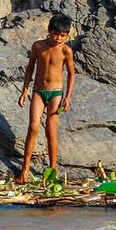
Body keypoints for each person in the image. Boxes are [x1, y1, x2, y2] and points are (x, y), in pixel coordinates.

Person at [15, 14, 76, 183]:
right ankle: (25, 170)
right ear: (49, 31)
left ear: (67, 35)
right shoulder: (38, 46)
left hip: (56, 93)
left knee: (51, 130)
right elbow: (30, 68)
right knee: (33, 127)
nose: (59, 38)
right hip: (38, 91)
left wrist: (68, 97)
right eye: (56, 34)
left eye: (63, 35)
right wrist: (24, 90)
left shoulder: (66, 51)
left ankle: (52, 170)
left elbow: (71, 74)